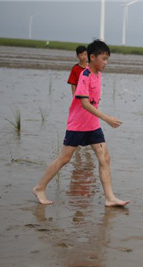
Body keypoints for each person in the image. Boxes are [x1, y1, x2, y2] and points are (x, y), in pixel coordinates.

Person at [33, 40, 129, 207]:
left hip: (93, 125)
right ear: (92, 57)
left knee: (105, 158)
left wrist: (100, 120)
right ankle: (39, 188)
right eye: (103, 59)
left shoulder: (98, 75)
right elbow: (84, 103)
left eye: (108, 59)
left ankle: (110, 197)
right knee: (64, 159)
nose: (106, 62)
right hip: (77, 125)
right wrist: (107, 118)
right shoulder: (84, 76)